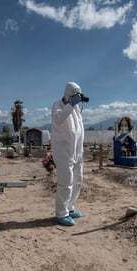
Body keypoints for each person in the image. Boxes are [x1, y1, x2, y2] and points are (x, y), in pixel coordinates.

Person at [51, 82, 85, 226]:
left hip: (77, 152)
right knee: (65, 183)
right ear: (69, 94)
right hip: (64, 152)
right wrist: (70, 105)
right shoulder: (58, 105)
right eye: (75, 96)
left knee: (78, 180)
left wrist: (73, 105)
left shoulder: (76, 109)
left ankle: (70, 208)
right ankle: (61, 213)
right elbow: (59, 119)